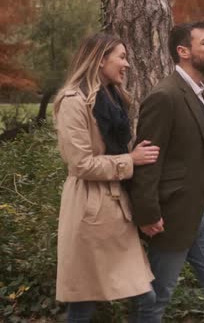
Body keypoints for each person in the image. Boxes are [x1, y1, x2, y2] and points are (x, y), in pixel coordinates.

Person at [129, 21, 204, 322]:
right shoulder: (165, 97)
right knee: (155, 297)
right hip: (170, 217)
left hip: (200, 212)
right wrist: (148, 213)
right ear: (183, 51)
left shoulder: (196, 92)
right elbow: (148, 159)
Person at [53, 32, 160, 322]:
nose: (127, 64)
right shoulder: (73, 101)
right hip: (89, 212)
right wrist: (130, 160)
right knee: (83, 303)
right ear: (101, 60)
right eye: (121, 57)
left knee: (146, 296)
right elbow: (80, 165)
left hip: (116, 210)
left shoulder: (113, 99)